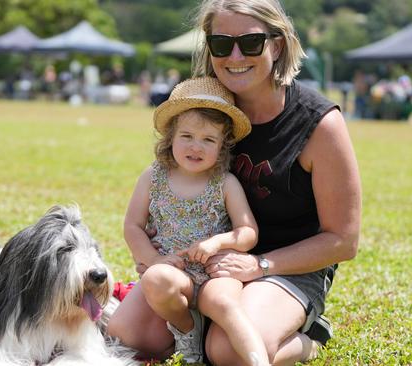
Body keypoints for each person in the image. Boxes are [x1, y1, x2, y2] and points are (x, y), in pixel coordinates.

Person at [108, 0, 361, 365]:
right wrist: (153, 258)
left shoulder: (319, 125)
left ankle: (310, 338)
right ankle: (203, 324)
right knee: (129, 337)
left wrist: (260, 266)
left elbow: (344, 240)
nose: (235, 55)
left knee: (227, 353)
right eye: (221, 44)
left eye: (251, 42)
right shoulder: (206, 111)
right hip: (206, 269)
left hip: (285, 270)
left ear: (277, 45)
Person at [119, 76, 270, 365]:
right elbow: (132, 226)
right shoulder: (153, 177)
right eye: (187, 136)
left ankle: (258, 360)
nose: (196, 147)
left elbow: (248, 231)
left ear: (222, 146)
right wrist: (152, 258)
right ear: (171, 137)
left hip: (216, 271)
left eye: (208, 139)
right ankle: (189, 333)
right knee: (129, 320)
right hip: (174, 273)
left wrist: (217, 242)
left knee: (224, 303)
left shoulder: (224, 183)